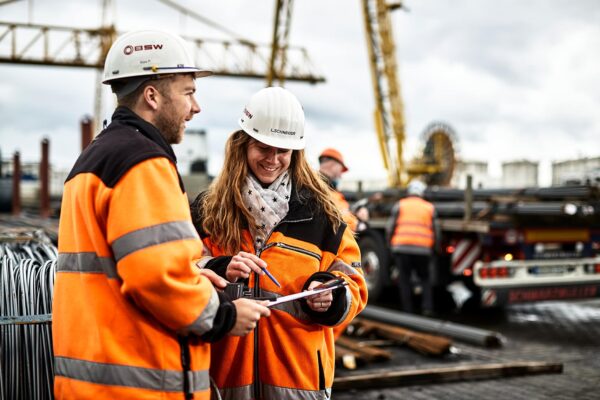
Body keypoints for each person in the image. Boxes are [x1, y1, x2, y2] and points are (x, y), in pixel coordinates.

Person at [52, 29, 270, 400]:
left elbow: (123, 264)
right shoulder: (143, 162)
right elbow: (156, 278)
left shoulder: (93, 159)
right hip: (142, 384)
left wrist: (201, 271)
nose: (196, 107)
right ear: (152, 96)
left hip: (93, 379)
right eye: (188, 93)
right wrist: (225, 317)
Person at [191, 87, 368, 400]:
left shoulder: (322, 214)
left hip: (298, 385)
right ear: (243, 145)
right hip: (224, 383)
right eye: (263, 147)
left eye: (283, 151)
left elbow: (354, 284)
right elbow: (181, 272)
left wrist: (329, 294)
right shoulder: (208, 211)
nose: (273, 159)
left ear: (296, 153)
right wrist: (221, 268)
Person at [387, 180, 438, 315]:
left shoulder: (400, 205)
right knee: (425, 279)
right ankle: (427, 308)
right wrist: (435, 248)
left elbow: (390, 227)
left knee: (404, 279)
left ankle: (407, 310)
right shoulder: (429, 207)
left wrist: (390, 245)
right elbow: (436, 231)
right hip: (423, 250)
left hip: (402, 248)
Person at [318, 148, 368, 232]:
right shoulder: (321, 190)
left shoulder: (328, 190)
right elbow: (339, 222)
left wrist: (354, 214)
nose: (341, 175)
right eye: (341, 170)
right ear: (332, 165)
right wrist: (360, 224)